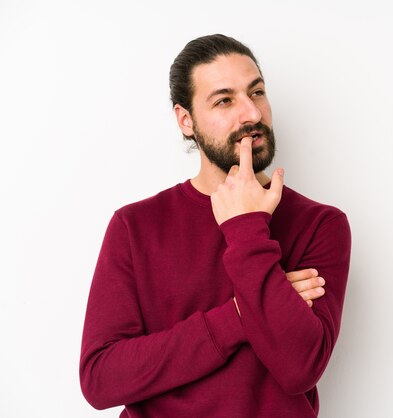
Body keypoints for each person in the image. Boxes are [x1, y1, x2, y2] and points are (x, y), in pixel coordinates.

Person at [79, 34, 351, 417]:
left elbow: (299, 369)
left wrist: (246, 228)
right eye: (225, 100)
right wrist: (241, 315)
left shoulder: (320, 224)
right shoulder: (134, 226)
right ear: (186, 120)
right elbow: (100, 379)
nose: (252, 114)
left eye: (256, 93)